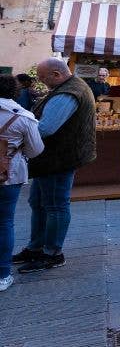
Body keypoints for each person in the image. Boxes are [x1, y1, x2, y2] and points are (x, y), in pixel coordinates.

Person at [10, 58, 96, 274]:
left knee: (56, 205)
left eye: (43, 78)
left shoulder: (68, 93)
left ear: (56, 74)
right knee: (38, 202)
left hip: (58, 159)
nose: (41, 82)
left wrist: (16, 135)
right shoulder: (69, 87)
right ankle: (35, 248)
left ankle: (52, 253)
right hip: (51, 159)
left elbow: (46, 128)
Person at [1, 74, 45, 291]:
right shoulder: (24, 117)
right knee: (4, 223)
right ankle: (2, 275)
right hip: (8, 174)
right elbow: (35, 149)